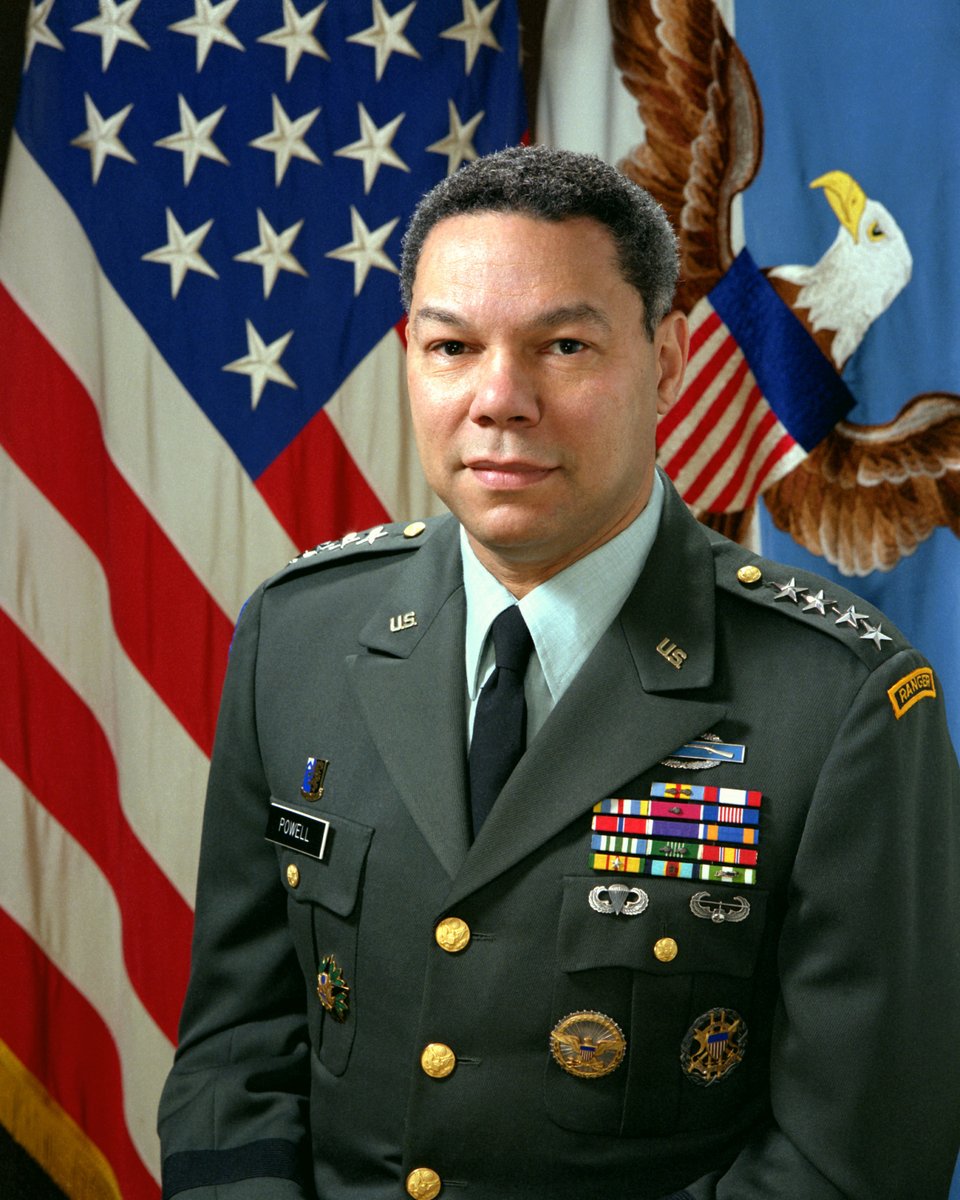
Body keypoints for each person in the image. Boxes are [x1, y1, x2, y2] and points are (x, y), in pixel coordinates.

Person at [158, 146, 960, 1200]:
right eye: (451, 346)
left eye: (565, 345)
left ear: (668, 362)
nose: (500, 400)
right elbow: (236, 1050)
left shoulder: (844, 700)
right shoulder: (298, 637)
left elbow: (852, 1160)